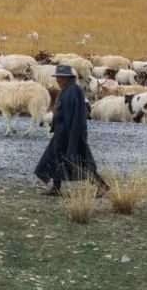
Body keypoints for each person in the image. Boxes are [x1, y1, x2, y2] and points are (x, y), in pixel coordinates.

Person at [35, 64, 106, 196]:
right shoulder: (67, 89)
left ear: (68, 78)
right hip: (62, 133)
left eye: (61, 77)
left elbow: (77, 116)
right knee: (55, 158)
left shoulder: (74, 91)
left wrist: (74, 137)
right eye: (58, 77)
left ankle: (102, 185)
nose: (58, 80)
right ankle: (56, 188)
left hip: (71, 134)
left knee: (80, 161)